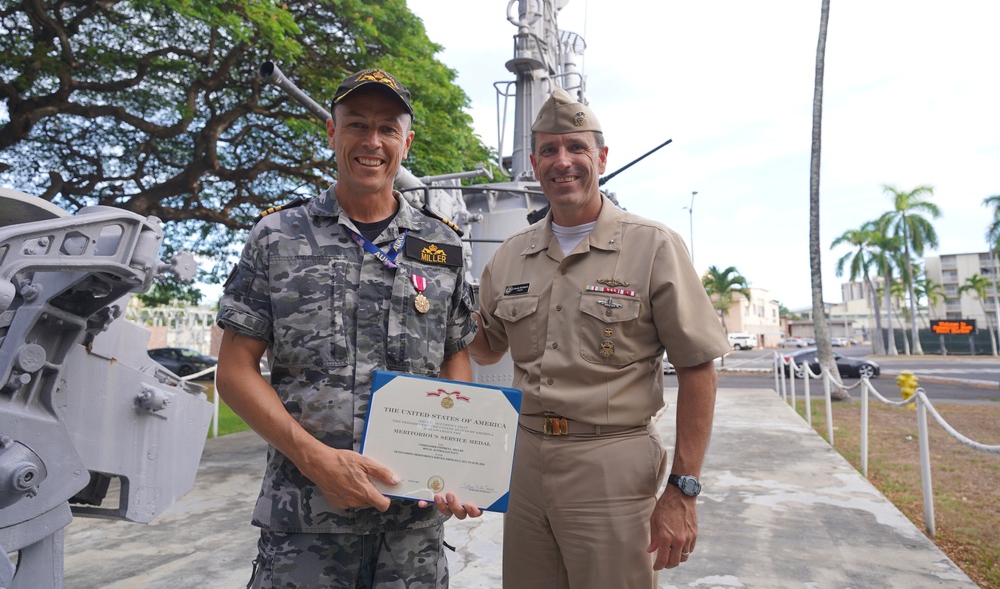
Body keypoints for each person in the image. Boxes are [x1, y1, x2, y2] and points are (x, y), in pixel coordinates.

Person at [216, 68, 481, 589]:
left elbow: (456, 355)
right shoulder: (277, 236)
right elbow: (234, 370)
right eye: (356, 125)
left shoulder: (442, 245)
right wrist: (315, 461)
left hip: (412, 531)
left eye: (387, 128)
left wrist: (456, 460)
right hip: (305, 524)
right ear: (332, 134)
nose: (371, 142)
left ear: (407, 141)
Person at [469, 88, 730, 589]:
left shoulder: (651, 246)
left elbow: (699, 368)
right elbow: (486, 346)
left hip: (611, 462)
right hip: (524, 462)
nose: (562, 161)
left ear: (601, 157)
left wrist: (683, 488)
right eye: (549, 150)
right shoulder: (511, 256)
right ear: (534, 161)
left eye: (575, 147)